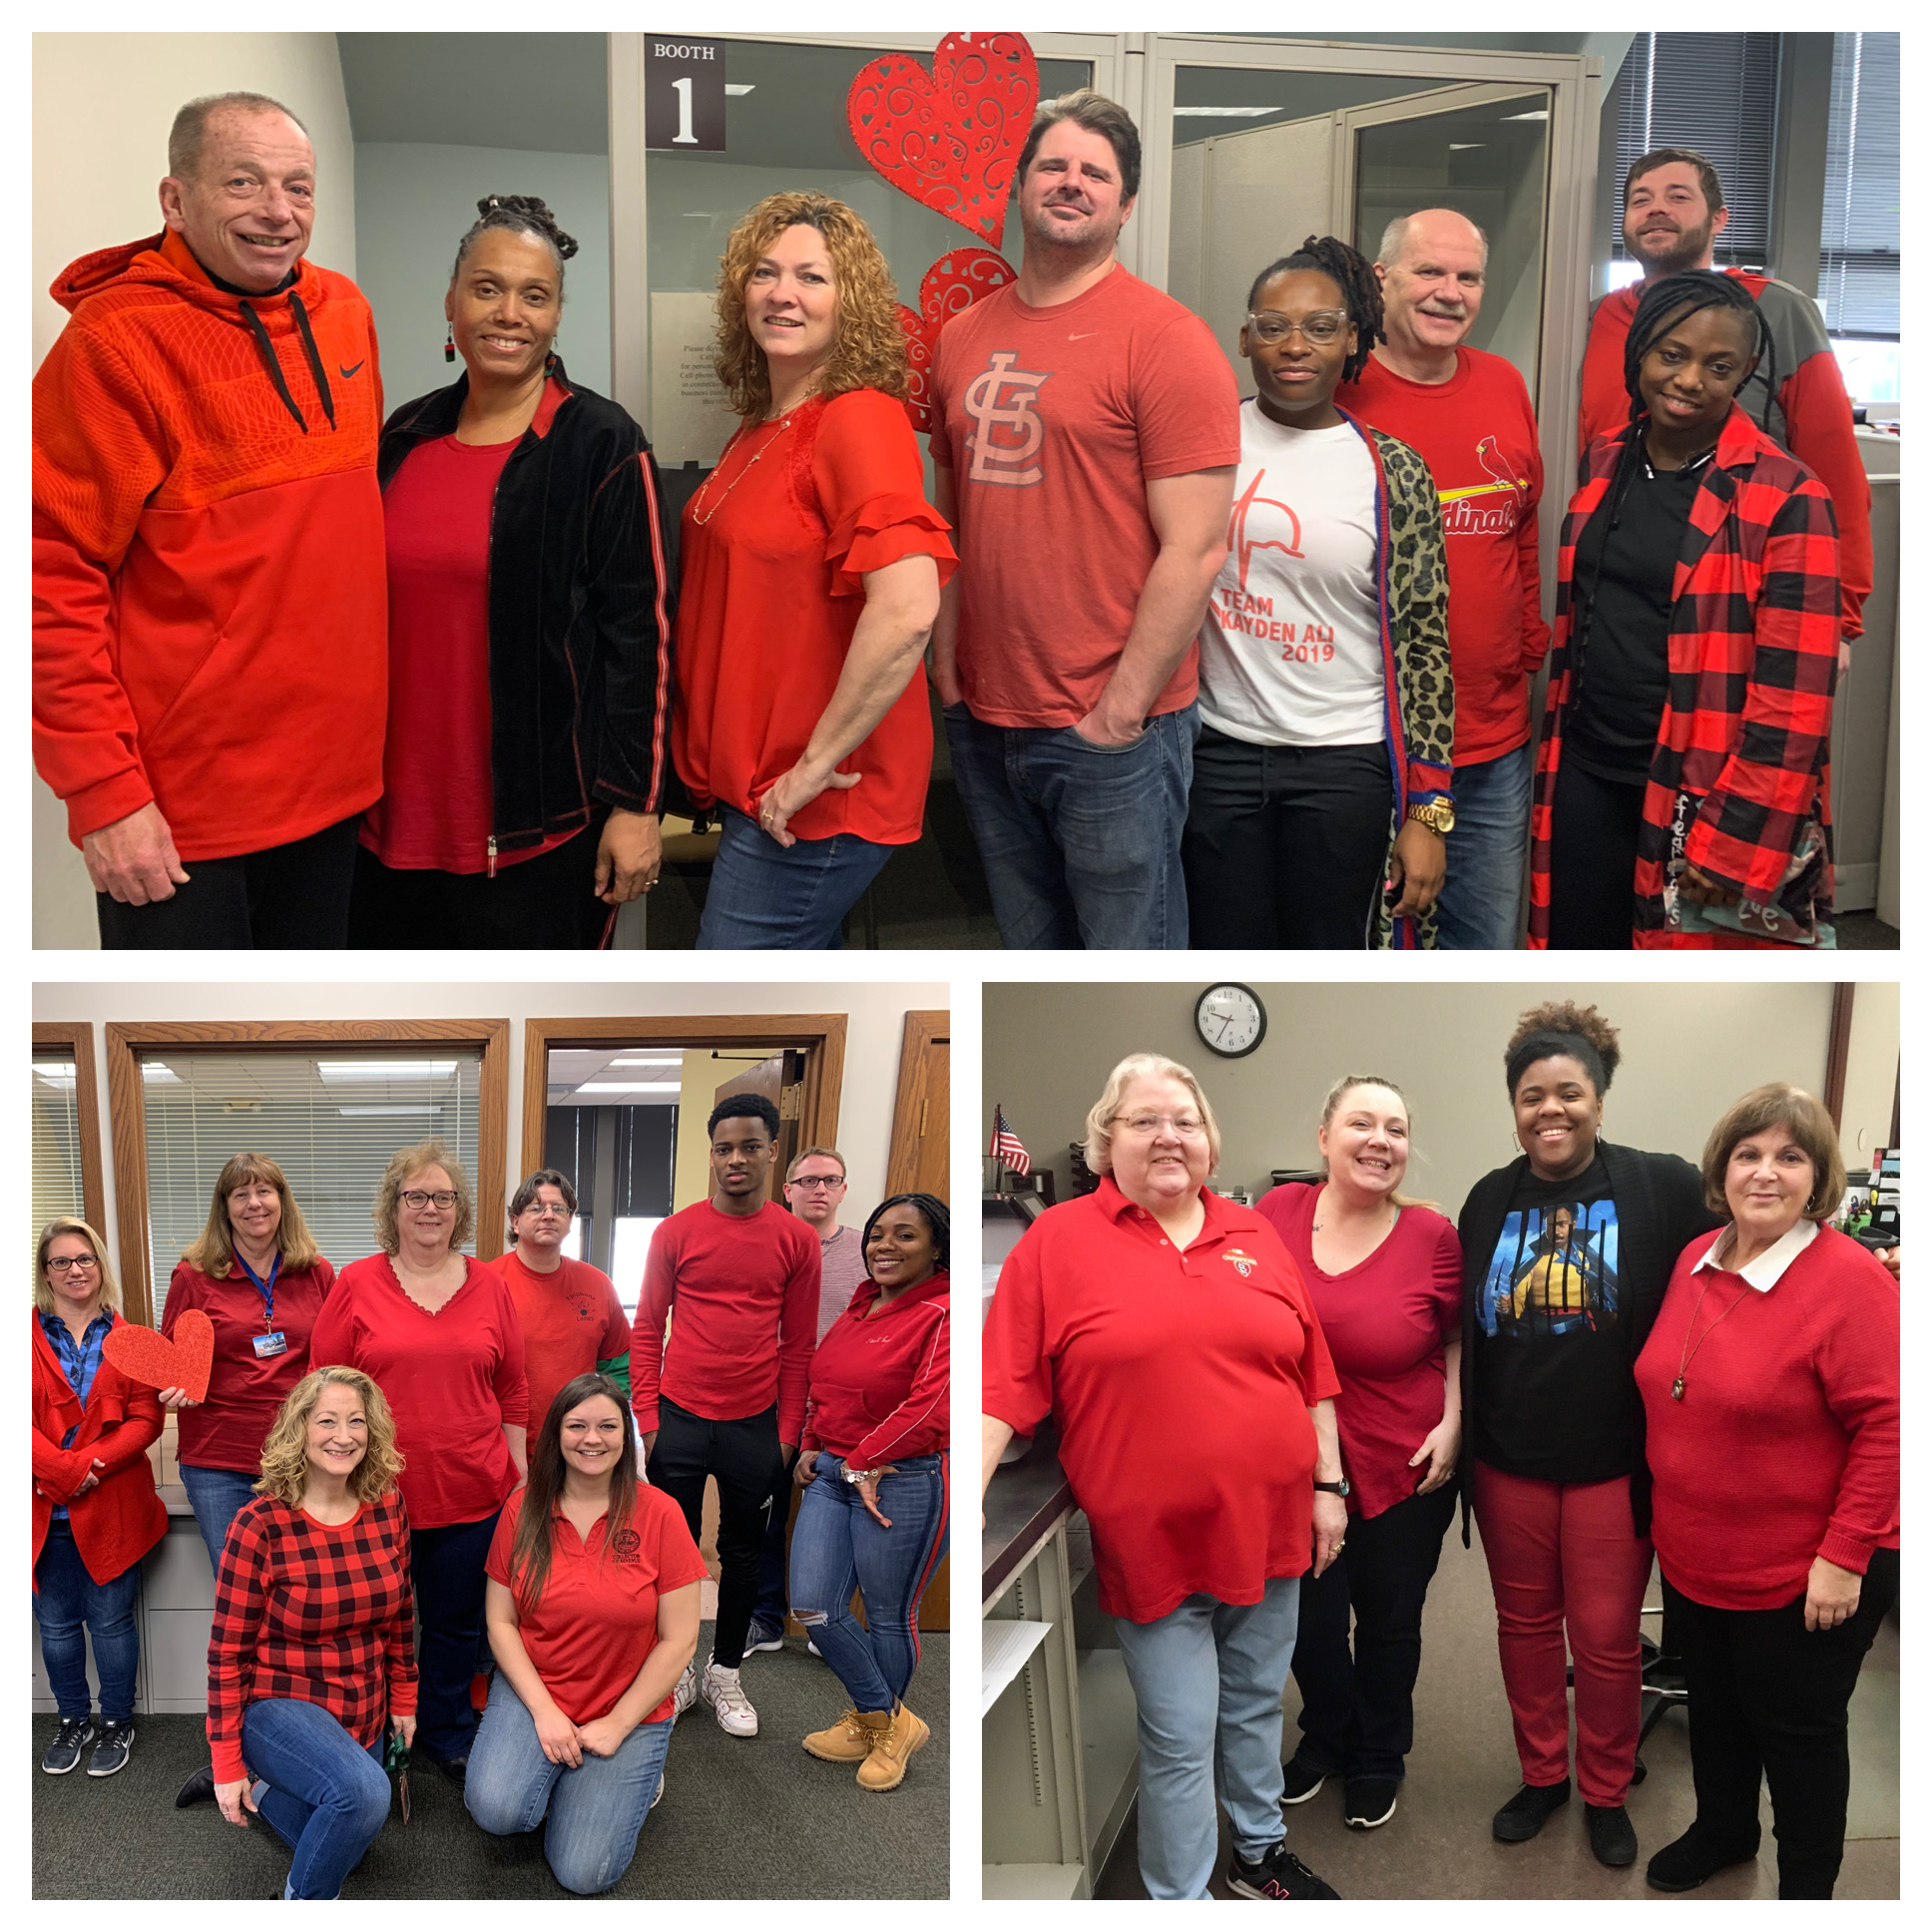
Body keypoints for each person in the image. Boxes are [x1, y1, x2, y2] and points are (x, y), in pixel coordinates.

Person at [982, 1053, 1343, 1899]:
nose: (1168, 1136)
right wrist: (962, 1502)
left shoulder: (1254, 1234)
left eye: (1185, 1120)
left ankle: (1257, 1854)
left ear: (1212, 1143)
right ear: (1107, 1141)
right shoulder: (1057, 1241)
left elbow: (1311, 1372)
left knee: (1256, 1706)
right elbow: (1005, 1387)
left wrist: (1330, 1487)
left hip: (1274, 1525)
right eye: (1145, 1121)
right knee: (1180, 1733)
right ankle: (1178, 1900)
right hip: (1155, 1544)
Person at [33, 92, 384, 948]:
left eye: (298, 187)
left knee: (309, 1050)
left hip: (340, 799)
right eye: (243, 182)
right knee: (190, 1062)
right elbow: (43, 578)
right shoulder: (114, 344)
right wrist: (104, 797)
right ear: (174, 199)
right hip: (184, 827)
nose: (278, 211)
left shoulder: (345, 311)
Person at [932, 90, 1239, 949]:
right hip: (987, 717)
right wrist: (947, 669)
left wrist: (1119, 714)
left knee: (1125, 956)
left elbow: (1197, 546)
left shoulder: (1166, 340)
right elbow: (949, 517)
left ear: (1125, 203)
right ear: (1020, 185)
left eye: (1095, 173)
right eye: (1054, 166)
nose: (1071, 184)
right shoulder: (961, 336)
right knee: (1028, 951)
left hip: (1113, 731)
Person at [352, 196, 673, 950]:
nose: (509, 313)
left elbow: (643, 637)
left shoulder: (602, 442)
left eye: (535, 296)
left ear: (558, 316)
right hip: (384, 823)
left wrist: (637, 807)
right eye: (487, 288)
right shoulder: (402, 436)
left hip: (539, 832)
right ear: (451, 302)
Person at [1455, 1002, 1720, 1868]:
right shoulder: (1489, 1200)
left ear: (1601, 1101)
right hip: (1509, 1464)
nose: (1551, 1110)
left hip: (1615, 1467)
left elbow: (1737, 1258)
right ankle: (1544, 1777)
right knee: (1524, 1627)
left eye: (1570, 1092)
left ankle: (1607, 1787)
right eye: (1533, 1096)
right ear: (1514, 1107)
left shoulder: (1662, 1186)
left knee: (1606, 1642)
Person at [673, 192, 954, 949]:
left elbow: (906, 609)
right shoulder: (764, 422)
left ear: (849, 302)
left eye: (811, 277)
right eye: (765, 273)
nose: (783, 294)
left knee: (722, 1010)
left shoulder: (858, 417)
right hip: (759, 790)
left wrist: (809, 771)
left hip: (813, 801)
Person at [1636, 1085, 1898, 1899]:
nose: (1765, 1173)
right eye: (1748, 1154)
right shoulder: (1698, 1258)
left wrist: (1844, 1556)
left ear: (1818, 1175)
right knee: (1714, 1710)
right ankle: (1723, 1828)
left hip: (1807, 1571)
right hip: (1696, 1557)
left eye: (1790, 1156)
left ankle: (1808, 1889)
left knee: (1798, 1736)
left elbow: (1893, 1425)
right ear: (1722, 1168)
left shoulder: (1848, 1281)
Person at [1532, 272, 1841, 949]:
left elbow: (1795, 701)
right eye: (1673, 355)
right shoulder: (1606, 459)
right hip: (1585, 761)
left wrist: (1736, 841)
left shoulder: (1788, 494)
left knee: (1676, 957)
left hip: (1698, 785)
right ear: (1640, 352)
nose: (1691, 378)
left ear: (1746, 374)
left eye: (1718, 365)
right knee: (1576, 946)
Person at [1185, 238, 1455, 950]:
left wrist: (1428, 812)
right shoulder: (1201, 445)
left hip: (1345, 763)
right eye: (1273, 326)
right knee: (1219, 943)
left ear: (1352, 341)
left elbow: (1426, 645)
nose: (1295, 345)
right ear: (1245, 338)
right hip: (1220, 753)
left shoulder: (1393, 471)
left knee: (1330, 951)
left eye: (1320, 327)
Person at [1255, 1077, 1462, 1830]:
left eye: (1396, 1129)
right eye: (1362, 1123)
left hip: (1408, 1460)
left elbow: (1455, 1335)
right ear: (1323, 1138)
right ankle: (1328, 1735)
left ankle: (1379, 1754)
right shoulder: (1274, 1214)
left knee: (1387, 1621)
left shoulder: (1432, 1237)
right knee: (1307, 1622)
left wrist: (1455, 1422)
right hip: (1302, 1463)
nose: (1381, 1140)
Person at [1343, 210, 1549, 948]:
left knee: (1481, 945)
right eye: (1429, 271)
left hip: (1494, 743)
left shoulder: (1502, 385)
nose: (1449, 293)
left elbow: (1521, 529)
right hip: (1380, 744)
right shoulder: (1340, 395)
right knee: (1380, 944)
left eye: (1468, 277)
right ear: (1382, 279)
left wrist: (1526, 647)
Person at [1579, 147, 1870, 651]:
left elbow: (1836, 470)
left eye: (1678, 196)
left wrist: (1839, 620)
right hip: (1615, 582)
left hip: (1739, 586)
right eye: (1640, 199)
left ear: (1719, 220)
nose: (1656, 209)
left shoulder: (1776, 311)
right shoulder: (1597, 316)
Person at [308, 1140, 530, 1782]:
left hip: (472, 1490)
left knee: (458, 1626)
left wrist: (515, 1473)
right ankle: (374, 1732)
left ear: (458, 1209)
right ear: (394, 1207)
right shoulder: (357, 1282)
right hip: (373, 1494)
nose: (429, 1208)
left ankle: (446, 1731)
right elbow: (323, 1384)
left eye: (442, 1197)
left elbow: (512, 1386)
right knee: (371, 1624)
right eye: (415, 1197)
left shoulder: (490, 1284)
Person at [468, 1374, 705, 1894]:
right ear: (555, 1435)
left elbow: (680, 1640)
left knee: (583, 1874)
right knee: (496, 1810)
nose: (591, 1439)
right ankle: (567, 1775)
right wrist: (545, 1711)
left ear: (627, 1437)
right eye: (576, 1426)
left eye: (607, 1426)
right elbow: (501, 1622)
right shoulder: (523, 1506)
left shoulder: (660, 1512)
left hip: (628, 1702)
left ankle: (633, 1778)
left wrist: (619, 1724)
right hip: (541, 1687)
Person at [633, 1095, 818, 1737]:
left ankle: (725, 1671)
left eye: (748, 1147)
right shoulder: (675, 1233)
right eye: (723, 1148)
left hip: (755, 1426)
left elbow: (799, 1347)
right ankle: (679, 1666)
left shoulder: (796, 1239)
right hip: (679, 1422)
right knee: (673, 1554)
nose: (735, 1159)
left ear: (773, 1152)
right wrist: (650, 1424)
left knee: (742, 1555)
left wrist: (788, 1438)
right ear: (710, 1154)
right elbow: (646, 1328)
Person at [205, 1367, 415, 1899]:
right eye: (326, 1421)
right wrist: (225, 1761)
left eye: (356, 1422)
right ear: (299, 1429)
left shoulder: (387, 1506)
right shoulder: (260, 1524)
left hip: (360, 1705)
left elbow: (401, 1614)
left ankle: (267, 1790)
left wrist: (405, 1698)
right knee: (363, 1800)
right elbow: (226, 1655)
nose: (343, 1436)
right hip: (281, 1704)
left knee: (353, 1840)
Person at [792, 1194, 951, 1790]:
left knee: (888, 1615)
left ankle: (879, 1727)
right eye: (877, 1234)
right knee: (813, 1605)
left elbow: (932, 1405)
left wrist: (863, 1461)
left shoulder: (944, 1312)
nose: (884, 1246)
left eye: (904, 1236)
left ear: (937, 1247)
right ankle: (887, 1715)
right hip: (836, 1475)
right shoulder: (861, 1307)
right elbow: (825, 1384)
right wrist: (813, 1444)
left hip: (902, 1481)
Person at [33, 1218, 167, 1778]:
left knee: (111, 1624)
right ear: (46, 1273)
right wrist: (62, 1471)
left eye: (84, 1259)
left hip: (112, 1504)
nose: (75, 1270)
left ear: (100, 1267)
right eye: (61, 1262)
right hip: (43, 1507)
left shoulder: (132, 1340)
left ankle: (114, 1721)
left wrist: (88, 1466)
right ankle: (72, 1718)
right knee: (58, 1627)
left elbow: (146, 1419)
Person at [159, 1155, 337, 1574]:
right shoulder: (193, 1276)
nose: (254, 1203)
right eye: (241, 1194)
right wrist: (170, 1387)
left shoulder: (317, 1273)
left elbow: (336, 1361)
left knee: (303, 1583)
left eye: (264, 1191)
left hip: (301, 1454)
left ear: (282, 1201)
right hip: (219, 1460)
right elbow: (170, 1364)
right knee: (239, 1587)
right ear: (225, 1208)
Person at [746, 1145, 873, 1656]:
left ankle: (829, 1624)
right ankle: (765, 1618)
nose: (819, 1189)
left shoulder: (869, 1251)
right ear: (788, 1190)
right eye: (809, 1181)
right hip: (772, 1397)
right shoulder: (766, 1243)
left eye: (830, 1181)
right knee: (765, 1512)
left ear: (843, 1190)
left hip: (841, 1403)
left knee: (843, 1510)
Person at [487, 1169, 631, 1432]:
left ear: (570, 1220)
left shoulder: (597, 1284)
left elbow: (619, 1369)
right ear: (515, 1222)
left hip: (576, 1444)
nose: (549, 1215)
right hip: (502, 1441)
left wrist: (606, 1424)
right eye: (536, 1208)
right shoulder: (487, 1284)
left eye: (559, 1208)